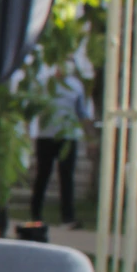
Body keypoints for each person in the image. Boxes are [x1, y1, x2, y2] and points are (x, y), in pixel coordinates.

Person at [30, 61, 90, 228]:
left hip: (68, 136)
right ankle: (36, 215)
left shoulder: (76, 86)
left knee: (67, 177)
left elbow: (81, 111)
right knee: (43, 175)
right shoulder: (45, 84)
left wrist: (89, 135)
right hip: (46, 136)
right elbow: (34, 107)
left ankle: (68, 217)